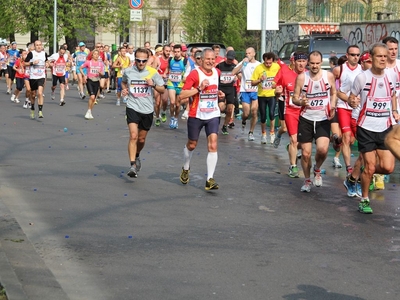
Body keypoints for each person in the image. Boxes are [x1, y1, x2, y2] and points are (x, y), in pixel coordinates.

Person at [348, 43, 399, 214]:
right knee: (370, 166)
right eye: (379, 56)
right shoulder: (362, 78)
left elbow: (392, 95)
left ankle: (364, 174)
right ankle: (364, 199)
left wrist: (394, 110)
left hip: (385, 128)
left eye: (385, 56)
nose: (383, 59)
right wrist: (352, 101)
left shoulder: (392, 76)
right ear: (371, 57)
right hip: (366, 127)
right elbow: (352, 97)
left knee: (387, 168)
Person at [178, 48, 225, 190]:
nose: (211, 62)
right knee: (192, 144)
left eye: (213, 59)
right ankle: (186, 167)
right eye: (208, 59)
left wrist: (219, 94)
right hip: (196, 114)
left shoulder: (217, 72)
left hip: (212, 114)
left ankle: (209, 179)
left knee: (213, 145)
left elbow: (214, 90)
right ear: (201, 60)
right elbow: (182, 95)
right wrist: (198, 88)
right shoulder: (195, 74)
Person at [292, 51, 337, 192]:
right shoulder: (301, 78)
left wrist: (333, 105)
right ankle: (306, 180)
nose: (315, 66)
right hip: (306, 119)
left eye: (317, 63)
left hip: (323, 118)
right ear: (308, 63)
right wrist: (301, 102)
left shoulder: (328, 76)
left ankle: (317, 169)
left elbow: (334, 92)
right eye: (312, 63)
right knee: (305, 154)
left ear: (321, 63)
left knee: (322, 150)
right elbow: (294, 98)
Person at [120, 48, 165, 178]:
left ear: (147, 60)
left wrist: (153, 85)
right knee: (133, 136)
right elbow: (123, 82)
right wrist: (124, 90)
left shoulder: (153, 72)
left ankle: (137, 154)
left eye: (143, 61)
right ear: (135, 59)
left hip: (147, 109)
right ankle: (133, 165)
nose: (141, 63)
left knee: (141, 139)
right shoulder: (128, 71)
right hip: (132, 106)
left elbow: (162, 89)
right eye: (138, 60)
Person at [339, 51, 372, 197]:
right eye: (368, 61)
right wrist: (350, 100)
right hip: (359, 119)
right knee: (365, 153)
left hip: (378, 120)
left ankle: (354, 179)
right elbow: (341, 92)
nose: (372, 64)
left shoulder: (383, 76)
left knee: (369, 155)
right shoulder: (358, 77)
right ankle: (356, 180)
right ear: (362, 64)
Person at [274, 52, 308, 178]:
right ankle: (293, 166)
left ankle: (292, 148)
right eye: (298, 61)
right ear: (293, 62)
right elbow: (277, 88)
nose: (301, 64)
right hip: (290, 111)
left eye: (304, 61)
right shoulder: (285, 73)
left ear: (306, 62)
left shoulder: (309, 76)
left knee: (303, 143)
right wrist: (277, 92)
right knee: (294, 139)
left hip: (305, 112)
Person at [332, 45, 363, 176]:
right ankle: (349, 168)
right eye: (352, 55)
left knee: (351, 140)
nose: (355, 57)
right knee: (346, 137)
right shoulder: (339, 70)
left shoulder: (363, 70)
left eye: (357, 55)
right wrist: (346, 100)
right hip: (343, 106)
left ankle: (336, 140)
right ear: (347, 55)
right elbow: (334, 91)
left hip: (357, 108)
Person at [251, 52, 280, 144]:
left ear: (273, 61)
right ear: (264, 61)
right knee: (263, 116)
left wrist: (277, 85)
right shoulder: (259, 68)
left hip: (272, 94)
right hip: (262, 95)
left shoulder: (277, 67)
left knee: (271, 114)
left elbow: (282, 77)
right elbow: (252, 82)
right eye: (266, 63)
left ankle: (272, 133)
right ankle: (263, 134)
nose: (268, 65)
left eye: (270, 63)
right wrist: (260, 80)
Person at [232, 47, 261, 141]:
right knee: (246, 113)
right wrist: (242, 64)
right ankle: (244, 120)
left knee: (254, 111)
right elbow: (233, 72)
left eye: (249, 53)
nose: (247, 55)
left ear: (254, 54)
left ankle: (251, 132)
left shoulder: (259, 64)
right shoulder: (243, 63)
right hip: (245, 90)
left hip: (256, 90)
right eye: (246, 53)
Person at [24, 40, 49, 119]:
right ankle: (32, 108)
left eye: (40, 45)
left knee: (40, 93)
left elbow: (47, 60)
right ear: (34, 46)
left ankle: (40, 111)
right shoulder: (31, 54)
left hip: (41, 76)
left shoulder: (44, 54)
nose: (38, 46)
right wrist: (32, 63)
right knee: (33, 94)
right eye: (37, 45)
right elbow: (24, 63)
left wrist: (48, 63)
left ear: (42, 46)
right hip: (33, 77)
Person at [166, 44, 187, 129]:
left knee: (178, 105)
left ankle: (175, 118)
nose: (177, 53)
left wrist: (185, 77)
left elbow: (188, 71)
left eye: (178, 52)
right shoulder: (170, 59)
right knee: (172, 102)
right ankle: (171, 117)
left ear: (181, 52)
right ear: (173, 52)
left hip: (180, 85)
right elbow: (168, 68)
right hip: (171, 83)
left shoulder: (185, 60)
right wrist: (165, 73)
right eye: (175, 52)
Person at [79, 49, 105, 120]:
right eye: (95, 54)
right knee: (92, 96)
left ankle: (89, 111)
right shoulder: (88, 62)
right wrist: (84, 75)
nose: (96, 55)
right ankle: (89, 111)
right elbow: (80, 68)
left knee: (94, 99)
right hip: (90, 80)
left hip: (97, 81)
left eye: (97, 54)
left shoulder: (100, 64)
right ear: (92, 55)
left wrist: (100, 73)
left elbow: (103, 73)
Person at [216, 50, 237, 135]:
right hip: (221, 88)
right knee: (221, 108)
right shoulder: (220, 66)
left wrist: (238, 76)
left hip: (230, 89)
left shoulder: (234, 67)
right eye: (228, 59)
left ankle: (225, 126)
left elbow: (240, 75)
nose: (229, 61)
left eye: (231, 60)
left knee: (230, 110)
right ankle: (216, 122)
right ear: (226, 57)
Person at [154, 45, 171, 126]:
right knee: (157, 102)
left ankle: (163, 112)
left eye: (169, 51)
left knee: (164, 100)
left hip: (166, 82)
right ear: (163, 51)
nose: (168, 52)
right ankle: (157, 117)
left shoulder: (170, 59)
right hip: (157, 81)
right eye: (166, 51)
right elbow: (153, 71)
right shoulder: (158, 59)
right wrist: (160, 75)